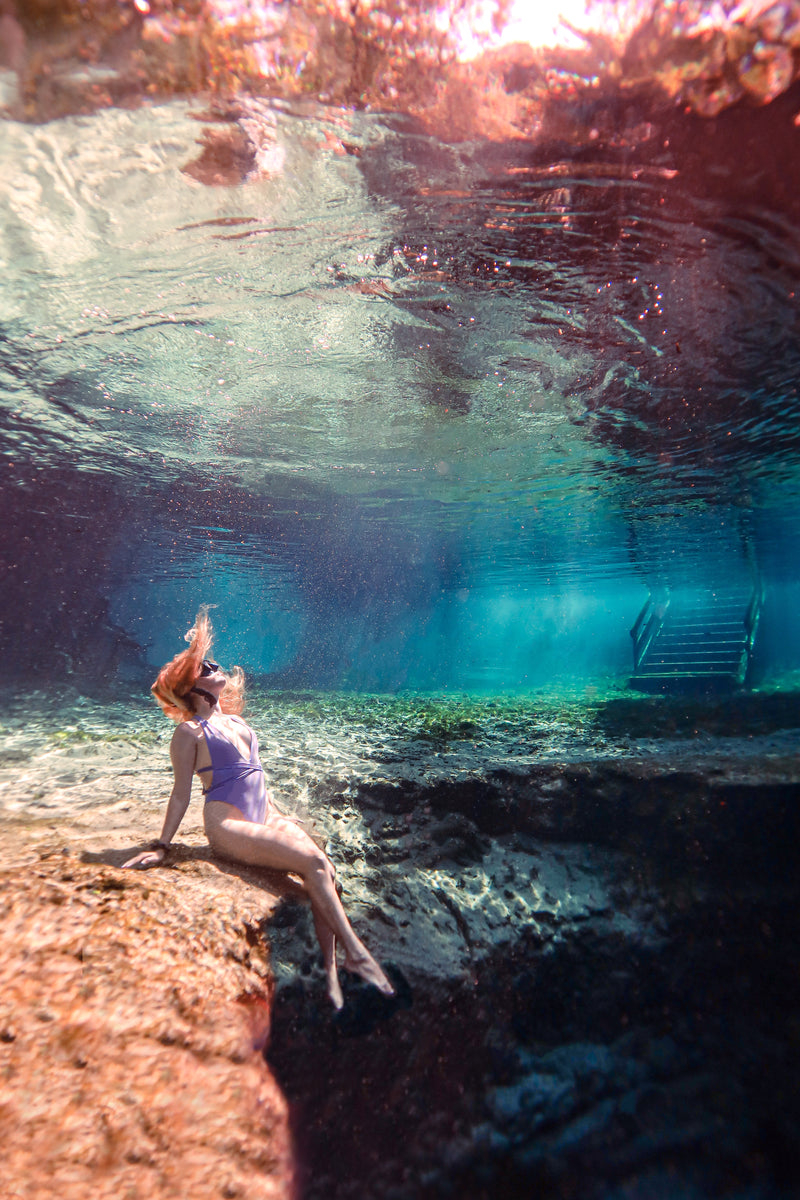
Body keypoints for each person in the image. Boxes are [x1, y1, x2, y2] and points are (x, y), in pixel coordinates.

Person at [123, 608, 395, 1010]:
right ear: (192, 686)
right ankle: (357, 955)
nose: (217, 667)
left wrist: (282, 815)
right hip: (228, 825)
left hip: (265, 817)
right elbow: (181, 793)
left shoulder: (239, 724)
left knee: (329, 876)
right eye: (206, 667)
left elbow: (258, 781)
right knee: (316, 864)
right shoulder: (188, 732)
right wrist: (162, 845)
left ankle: (332, 975)